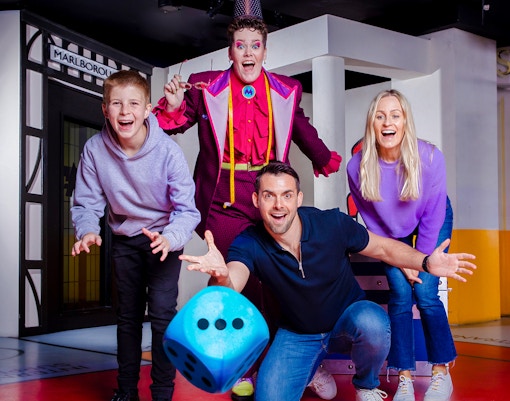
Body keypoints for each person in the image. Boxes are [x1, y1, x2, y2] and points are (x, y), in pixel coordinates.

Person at [152, 1, 341, 399]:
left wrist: (325, 158)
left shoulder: (285, 90)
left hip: (269, 197)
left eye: (256, 45)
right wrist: (173, 104)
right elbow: (175, 122)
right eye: (241, 45)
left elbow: (302, 130)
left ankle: (299, 362)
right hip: (222, 200)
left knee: (282, 279)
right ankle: (246, 365)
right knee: (244, 275)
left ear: (265, 50)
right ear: (230, 51)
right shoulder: (206, 86)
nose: (249, 53)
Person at [179, 162, 476, 401]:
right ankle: (313, 369)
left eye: (286, 195)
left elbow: (384, 248)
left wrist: (426, 262)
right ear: (257, 200)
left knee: (373, 323)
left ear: (299, 198)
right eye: (269, 195)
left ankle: (366, 385)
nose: (279, 205)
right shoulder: (249, 242)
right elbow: (232, 282)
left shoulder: (330, 223)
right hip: (298, 334)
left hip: (347, 321)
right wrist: (220, 276)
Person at [70, 70, 201, 401]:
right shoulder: (95, 150)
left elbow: (187, 210)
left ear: (147, 109)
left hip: (163, 240)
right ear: (105, 109)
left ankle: (162, 393)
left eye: (133, 104)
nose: (125, 111)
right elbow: (86, 202)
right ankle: (126, 391)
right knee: (127, 316)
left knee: (161, 315)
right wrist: (87, 231)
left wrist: (170, 238)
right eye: (116, 103)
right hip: (125, 239)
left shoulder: (168, 152)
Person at [346, 89, 456, 401]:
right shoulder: (356, 167)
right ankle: (403, 377)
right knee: (399, 294)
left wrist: (418, 261)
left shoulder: (430, 158)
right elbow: (372, 221)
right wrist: (400, 259)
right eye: (380, 116)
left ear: (405, 121)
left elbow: (433, 215)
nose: (387, 122)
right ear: (372, 123)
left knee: (426, 293)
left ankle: (441, 371)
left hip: (431, 220)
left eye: (395, 115)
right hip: (390, 232)